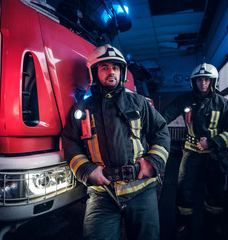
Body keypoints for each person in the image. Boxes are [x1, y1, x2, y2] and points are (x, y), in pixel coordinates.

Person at [62, 44, 170, 240]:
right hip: (102, 194)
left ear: (122, 72)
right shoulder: (82, 109)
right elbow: (70, 142)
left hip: (142, 189)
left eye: (116, 67)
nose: (111, 72)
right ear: (94, 72)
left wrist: (152, 162)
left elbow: (161, 132)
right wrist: (86, 170)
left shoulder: (139, 103)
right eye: (104, 68)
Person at [162, 63, 228, 239]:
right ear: (194, 82)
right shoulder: (184, 100)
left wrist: (213, 142)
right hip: (190, 155)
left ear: (213, 82)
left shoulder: (222, 103)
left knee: (215, 192)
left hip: (215, 156)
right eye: (199, 80)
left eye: (207, 80)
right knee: (184, 190)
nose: (203, 83)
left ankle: (213, 226)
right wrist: (151, 126)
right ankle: (182, 224)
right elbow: (164, 116)